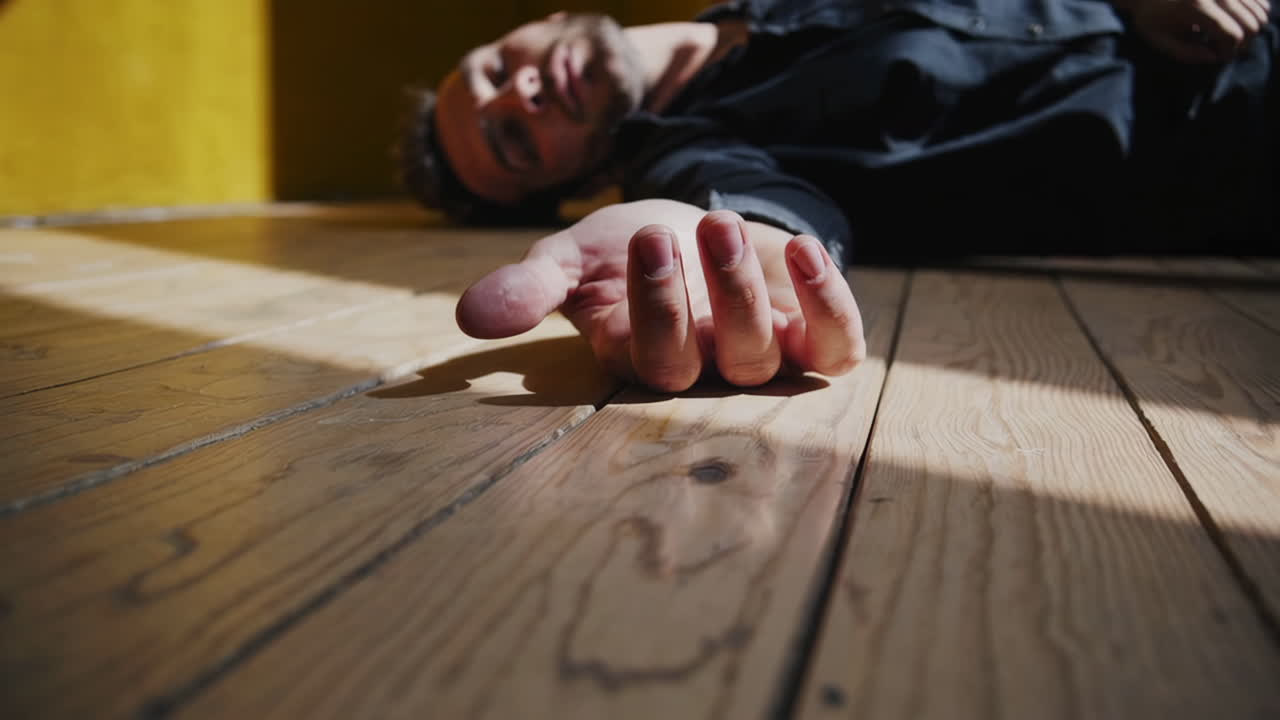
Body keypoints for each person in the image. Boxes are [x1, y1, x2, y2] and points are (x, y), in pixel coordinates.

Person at [399, 0, 1276, 392]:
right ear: (576, 183)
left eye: (495, 70)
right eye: (515, 143)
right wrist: (729, 245)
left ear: (544, 22)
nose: (521, 96)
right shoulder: (689, 151)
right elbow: (745, 208)